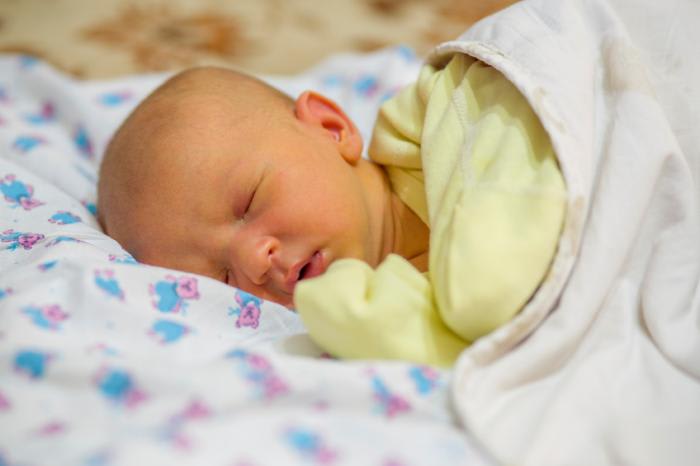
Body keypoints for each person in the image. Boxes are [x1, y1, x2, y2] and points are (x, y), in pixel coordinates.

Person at [98, 54, 567, 366]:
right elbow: (475, 357)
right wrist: (353, 316)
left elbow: (490, 293)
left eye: (248, 202)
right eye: (220, 277)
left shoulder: (453, 110)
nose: (252, 261)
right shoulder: (380, 307)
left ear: (330, 128)